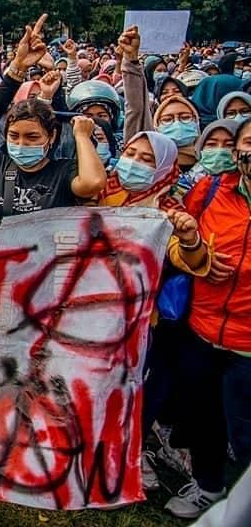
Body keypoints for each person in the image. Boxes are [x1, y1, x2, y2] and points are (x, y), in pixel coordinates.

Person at [162, 117, 251, 518]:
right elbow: (176, 233)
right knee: (202, 415)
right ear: (236, 153)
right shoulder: (211, 190)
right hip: (200, 329)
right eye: (248, 143)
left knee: (245, 428)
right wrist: (194, 253)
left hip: (247, 344)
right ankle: (208, 484)